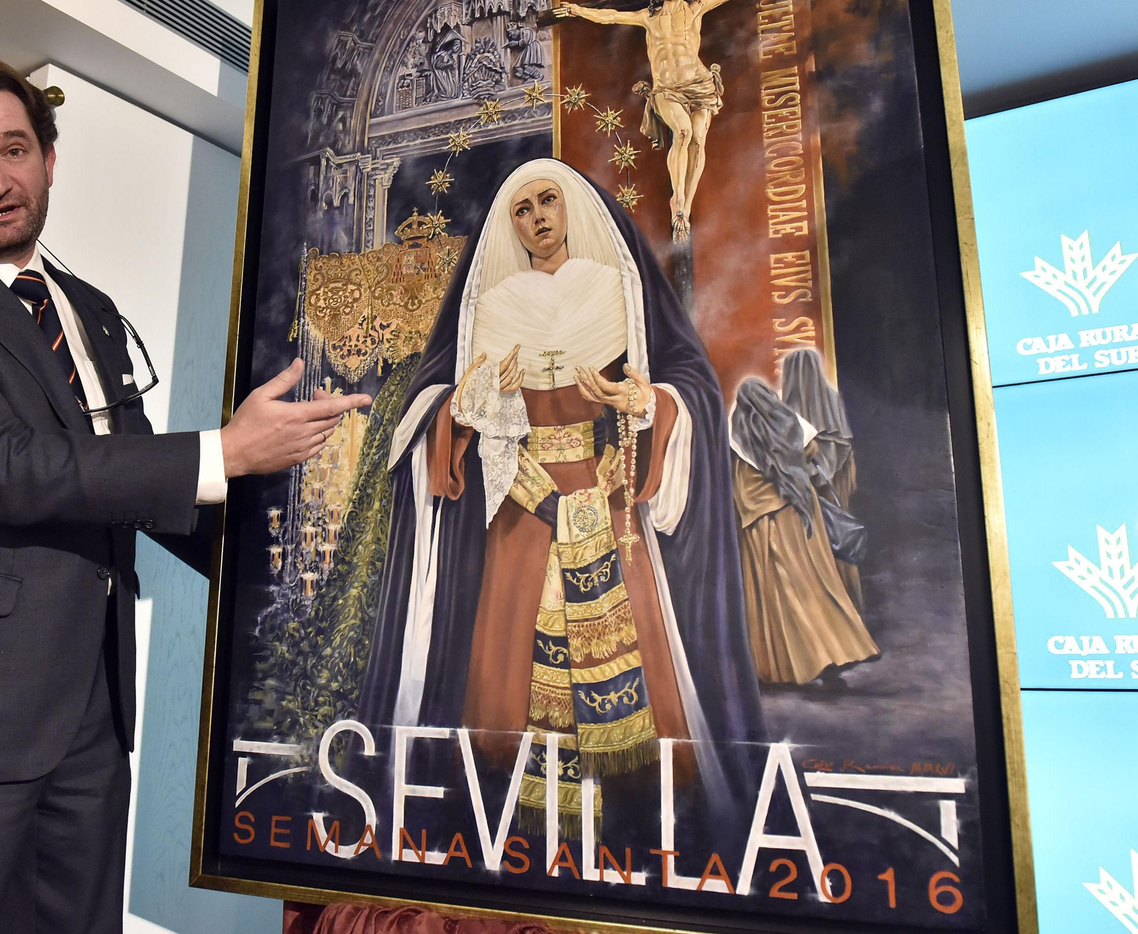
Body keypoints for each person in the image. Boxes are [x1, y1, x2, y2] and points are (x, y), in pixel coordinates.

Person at [0, 58, 368, 934]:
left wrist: (310, 562)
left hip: (88, 714)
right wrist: (226, 448)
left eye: (14, 148)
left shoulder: (87, 307)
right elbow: (0, 466)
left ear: (48, 157)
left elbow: (135, 481)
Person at [359, 158, 762, 830]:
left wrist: (644, 400)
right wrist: (472, 402)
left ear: (570, 206)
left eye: (548, 201)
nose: (539, 218)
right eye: (522, 209)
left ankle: (633, 819)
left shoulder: (619, 289)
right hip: (519, 503)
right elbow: (432, 408)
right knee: (506, 669)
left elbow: (687, 385)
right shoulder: (489, 306)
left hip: (606, 493)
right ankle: (517, 822)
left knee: (637, 669)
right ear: (509, 223)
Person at [554, 0, 799, 241]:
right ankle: (677, 199)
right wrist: (577, 11)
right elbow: (610, 17)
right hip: (667, 88)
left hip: (699, 83)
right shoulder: (648, 17)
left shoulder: (696, 7)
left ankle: (686, 204)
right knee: (682, 132)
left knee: (697, 139)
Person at [728, 379, 876, 686]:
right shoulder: (786, 420)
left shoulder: (739, 432)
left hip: (761, 524)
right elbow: (812, 448)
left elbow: (739, 484)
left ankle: (789, 666)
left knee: (778, 595)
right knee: (816, 586)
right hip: (802, 517)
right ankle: (834, 654)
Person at [780, 347, 861, 607]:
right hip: (832, 487)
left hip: (808, 495)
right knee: (837, 553)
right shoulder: (833, 400)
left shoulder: (785, 410)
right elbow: (843, 447)